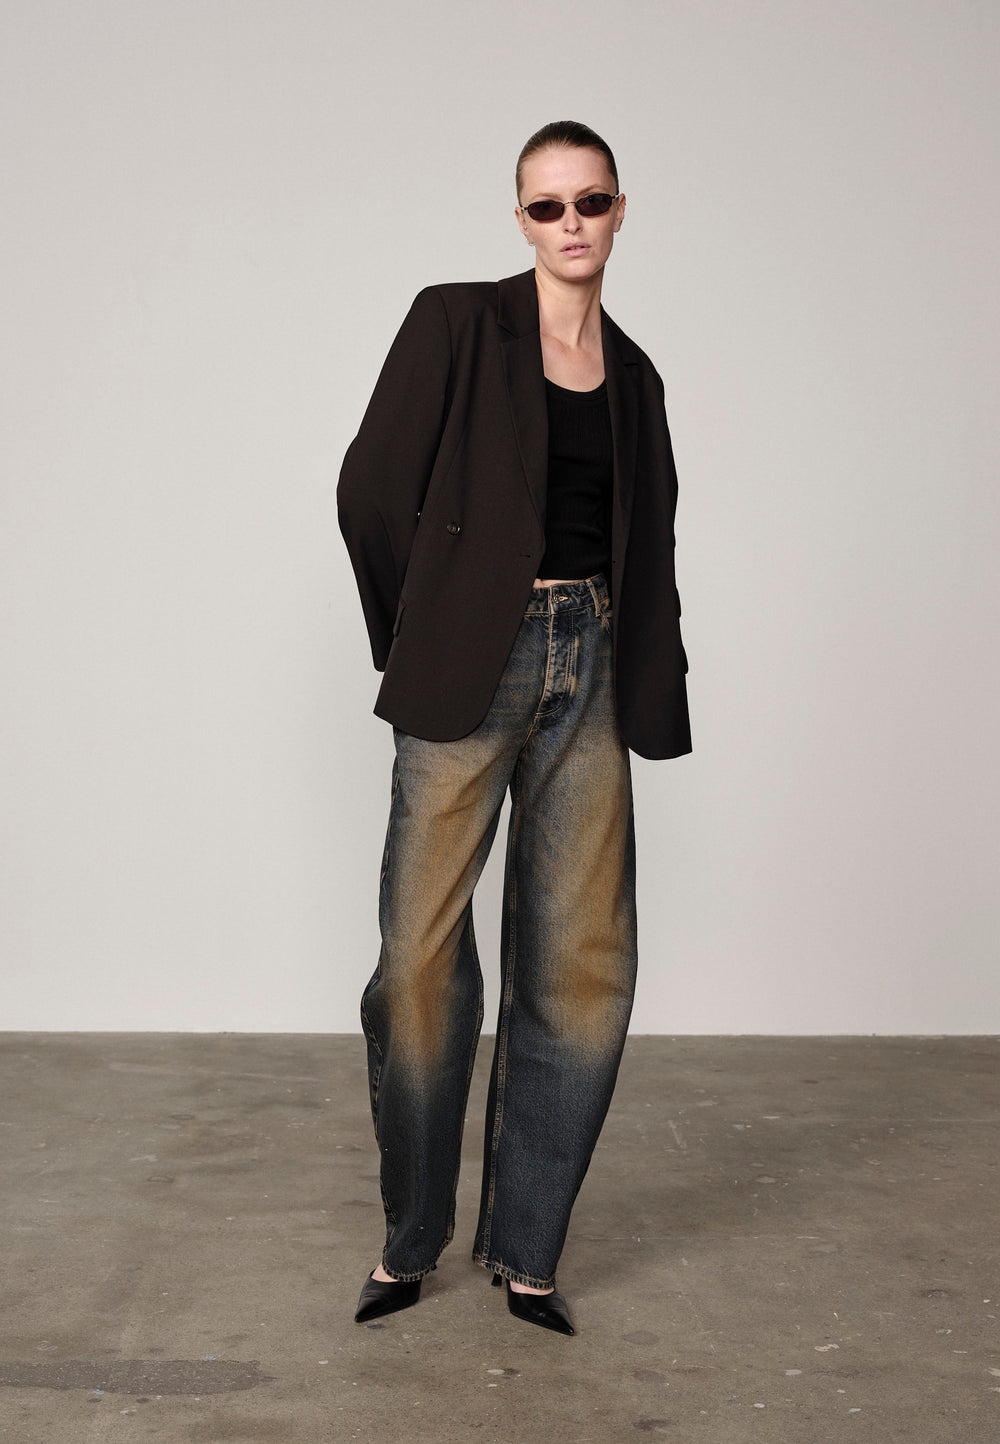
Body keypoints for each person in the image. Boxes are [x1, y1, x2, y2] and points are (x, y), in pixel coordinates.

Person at [338, 120, 690, 1337]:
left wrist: (646, 672)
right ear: (521, 219)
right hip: (469, 665)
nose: (571, 223)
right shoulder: (458, 322)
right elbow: (370, 488)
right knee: (419, 966)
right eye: (547, 206)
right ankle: (409, 1238)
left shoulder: (634, 375)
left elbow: (652, 544)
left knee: (581, 965)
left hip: (590, 661)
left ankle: (529, 1253)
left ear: (619, 210)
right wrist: (426, 631)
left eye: (590, 201)